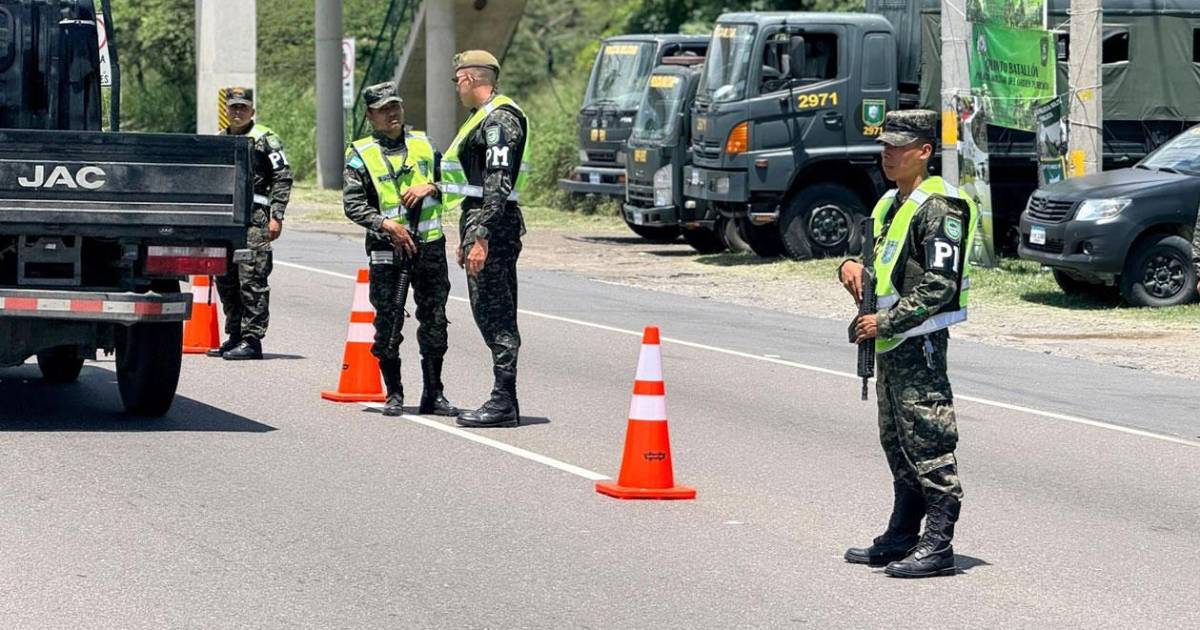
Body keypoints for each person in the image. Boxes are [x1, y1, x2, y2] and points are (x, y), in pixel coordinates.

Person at [837, 110, 978, 578]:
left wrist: (886, 322)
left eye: (899, 147)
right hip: (889, 343)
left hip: (919, 342)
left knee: (929, 440)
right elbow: (876, 260)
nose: (888, 155)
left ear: (924, 151)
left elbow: (940, 284)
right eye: (885, 146)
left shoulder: (941, 207)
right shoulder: (891, 203)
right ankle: (903, 534)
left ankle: (938, 545)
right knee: (897, 442)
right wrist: (847, 266)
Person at [342, 82, 458, 418]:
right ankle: (394, 392)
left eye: (395, 106)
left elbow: (456, 184)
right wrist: (387, 225)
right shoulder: (361, 154)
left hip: (429, 246)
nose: (391, 114)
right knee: (389, 322)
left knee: (435, 320)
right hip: (387, 250)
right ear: (370, 116)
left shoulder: (424, 145)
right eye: (383, 110)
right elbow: (353, 205)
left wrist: (431, 187)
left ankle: (434, 394)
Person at [438, 50, 530, 428]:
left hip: (494, 225)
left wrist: (481, 236)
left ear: (471, 78)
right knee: (488, 310)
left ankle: (503, 401)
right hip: (483, 221)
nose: (456, 87)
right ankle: (504, 399)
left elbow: (497, 182)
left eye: (457, 80)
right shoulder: (482, 117)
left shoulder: (499, 120)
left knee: (496, 313)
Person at [210, 87, 293, 360]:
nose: (237, 112)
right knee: (226, 280)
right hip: (225, 221)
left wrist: (277, 216)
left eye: (242, 107)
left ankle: (252, 340)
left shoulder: (265, 139)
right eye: (233, 107)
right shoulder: (219, 140)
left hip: (254, 220)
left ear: (252, 111)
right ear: (226, 110)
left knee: (252, 279)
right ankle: (235, 335)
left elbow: (282, 177)